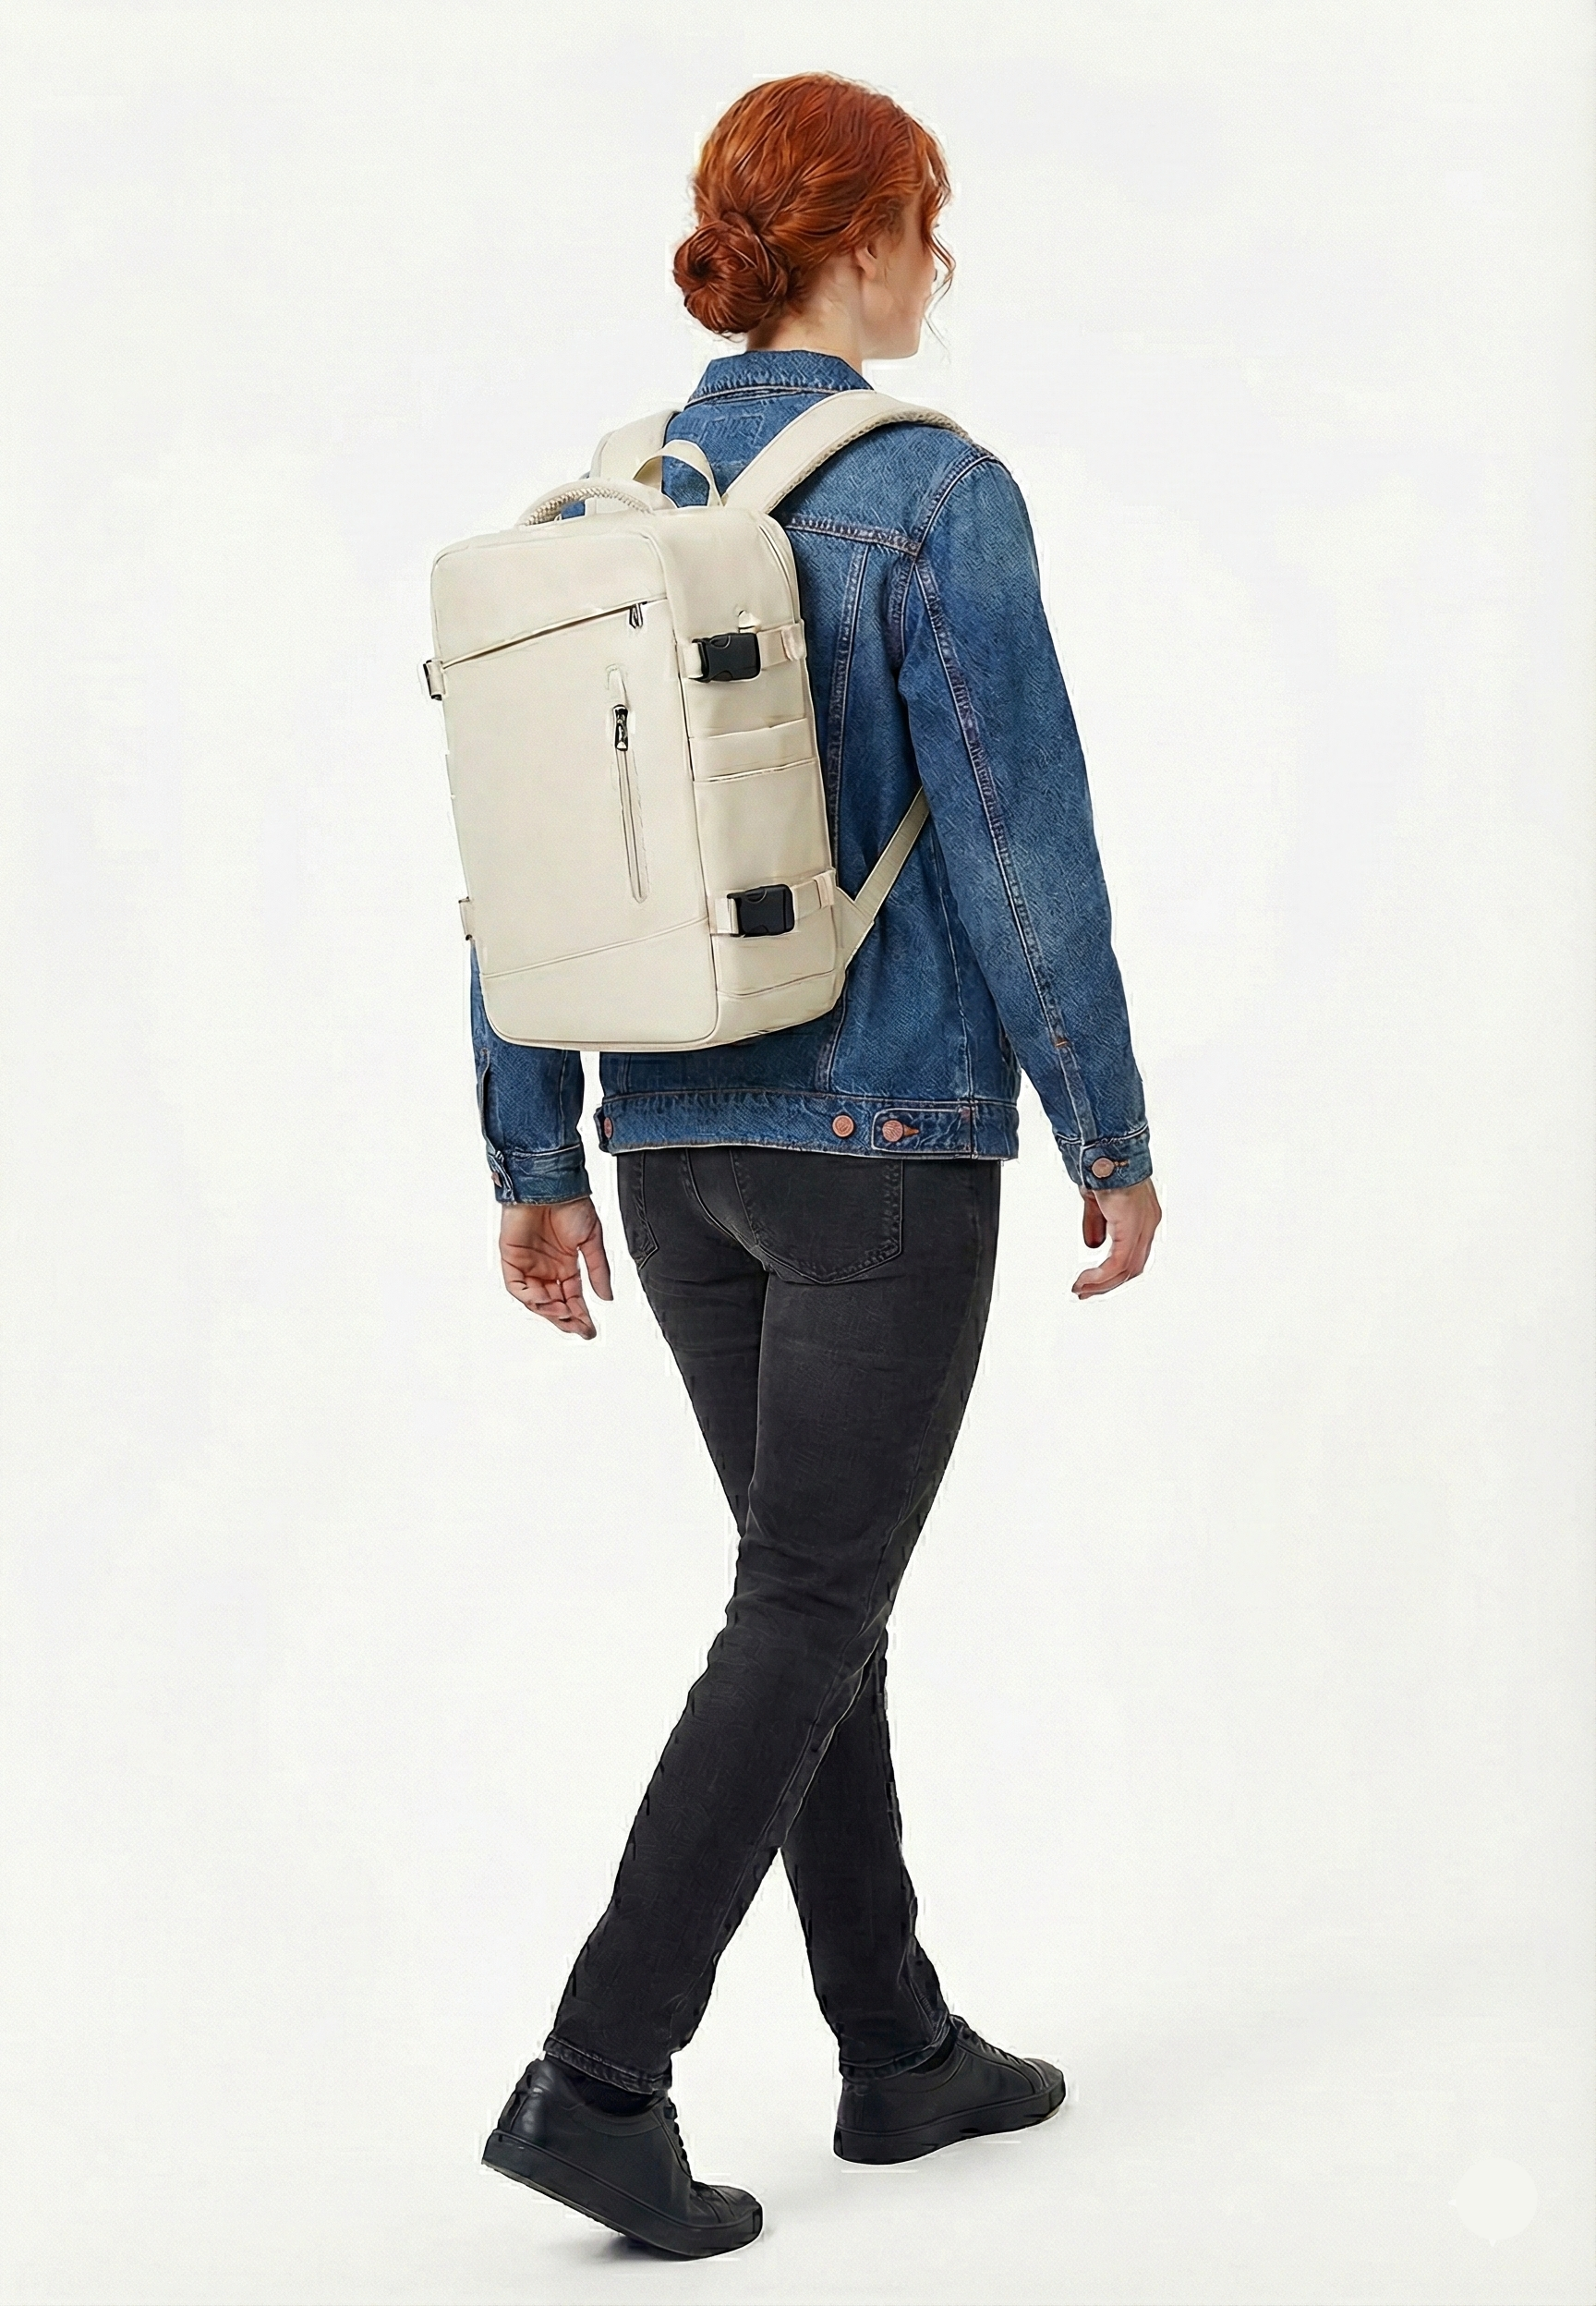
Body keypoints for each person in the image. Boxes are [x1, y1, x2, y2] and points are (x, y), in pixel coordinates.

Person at [473, 71, 1161, 2258]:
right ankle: (600, 2082)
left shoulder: (593, 515)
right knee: (805, 1604)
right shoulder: (933, 494)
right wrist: (1108, 1125)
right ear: (868, 240)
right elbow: (1020, 836)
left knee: (810, 1596)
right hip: (881, 1141)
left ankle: (896, 2044)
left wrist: (531, 1149)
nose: (937, 268)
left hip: (667, 1145)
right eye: (927, 227)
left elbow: (518, 863)